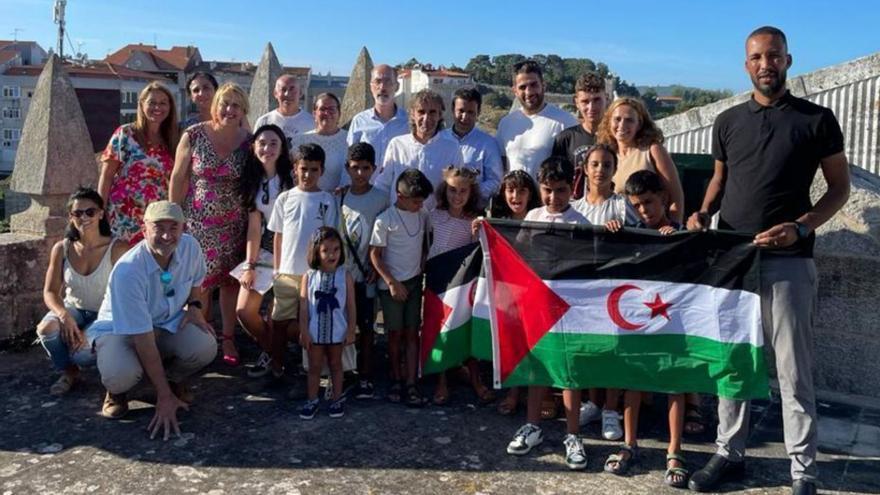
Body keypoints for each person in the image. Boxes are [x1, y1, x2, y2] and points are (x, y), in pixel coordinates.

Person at [686, 26, 850, 495]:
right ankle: (728, 452)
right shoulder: (728, 121)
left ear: (788, 60)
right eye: (756, 57)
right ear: (746, 65)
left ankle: (803, 471)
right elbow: (718, 181)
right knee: (734, 364)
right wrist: (702, 213)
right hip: (733, 262)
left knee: (794, 371)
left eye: (773, 56)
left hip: (789, 262)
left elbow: (839, 189)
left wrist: (801, 226)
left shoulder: (816, 119)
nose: (765, 64)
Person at [91, 201, 217, 440]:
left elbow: (196, 281)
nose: (167, 235)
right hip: (122, 330)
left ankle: (170, 379)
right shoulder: (129, 270)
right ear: (144, 228)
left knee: (205, 345)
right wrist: (164, 398)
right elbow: (143, 338)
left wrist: (195, 306)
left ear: (183, 228)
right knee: (120, 374)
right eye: (159, 228)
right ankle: (117, 392)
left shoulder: (190, 246)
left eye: (174, 227)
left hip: (166, 321)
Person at [603, 170, 688, 488]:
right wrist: (613, 233)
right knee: (632, 379)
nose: (643, 211)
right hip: (637, 318)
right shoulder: (630, 232)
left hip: (671, 319)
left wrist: (677, 240)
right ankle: (629, 443)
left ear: (664, 198)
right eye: (636, 205)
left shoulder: (682, 231)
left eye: (648, 203)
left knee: (675, 383)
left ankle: (675, 450)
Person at [508, 156, 589, 471]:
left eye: (560, 190)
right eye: (547, 190)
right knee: (537, 366)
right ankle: (533, 426)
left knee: (570, 371)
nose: (554, 197)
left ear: (572, 188)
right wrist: (485, 228)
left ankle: (573, 433)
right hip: (537, 305)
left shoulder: (580, 222)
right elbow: (517, 252)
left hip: (569, 309)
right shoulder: (533, 215)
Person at [170, 82, 250, 367]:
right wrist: (173, 217)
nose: (229, 110)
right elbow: (179, 178)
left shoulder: (249, 140)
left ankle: (228, 337)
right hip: (198, 222)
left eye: (236, 105)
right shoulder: (194, 134)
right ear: (216, 106)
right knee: (200, 282)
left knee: (230, 283)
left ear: (244, 110)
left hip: (234, 224)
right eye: (225, 104)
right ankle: (202, 336)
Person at [37, 187, 129, 395]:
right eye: (77, 213)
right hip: (75, 309)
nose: (84, 217)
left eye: (90, 212)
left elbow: (130, 292)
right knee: (47, 329)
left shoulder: (118, 248)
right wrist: (63, 315)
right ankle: (69, 372)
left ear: (101, 214)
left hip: (107, 314)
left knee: (82, 354)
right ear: (71, 217)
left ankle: (113, 380)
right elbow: (50, 291)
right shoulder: (62, 248)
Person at [570, 144, 631, 441]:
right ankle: (593, 403)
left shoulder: (621, 205)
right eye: (594, 164)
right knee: (588, 349)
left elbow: (638, 241)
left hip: (613, 289)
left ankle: (611, 409)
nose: (600, 170)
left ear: (614, 169)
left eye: (607, 164)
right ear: (585, 168)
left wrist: (621, 231)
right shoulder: (575, 207)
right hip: (583, 290)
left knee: (612, 350)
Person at [268, 143, 339, 379]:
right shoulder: (285, 198)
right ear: (294, 169)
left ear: (322, 171)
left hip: (315, 276)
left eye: (314, 170)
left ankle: (312, 370)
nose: (308, 175)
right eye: (304, 169)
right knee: (278, 322)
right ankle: (277, 366)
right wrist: (278, 269)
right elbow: (278, 235)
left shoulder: (327, 200)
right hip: (287, 274)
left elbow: (330, 238)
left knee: (314, 324)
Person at [427, 166, 493, 406]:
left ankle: (476, 380)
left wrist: (478, 233)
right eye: (453, 190)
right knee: (440, 333)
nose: (457, 196)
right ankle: (442, 381)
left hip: (463, 286)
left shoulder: (474, 220)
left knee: (466, 332)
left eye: (463, 191)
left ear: (471, 192)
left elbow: (478, 253)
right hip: (437, 282)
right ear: (445, 190)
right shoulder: (433, 215)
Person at [234, 124, 294, 378]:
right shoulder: (253, 181)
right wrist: (249, 265)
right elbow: (254, 228)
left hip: (290, 250)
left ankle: (276, 361)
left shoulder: (291, 179)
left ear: (282, 149)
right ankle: (272, 352)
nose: (267, 148)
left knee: (276, 315)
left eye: (273, 143)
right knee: (244, 311)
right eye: (262, 143)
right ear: (253, 146)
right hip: (264, 249)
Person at [370, 169, 433, 408]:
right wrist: (391, 283)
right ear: (400, 195)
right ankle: (395, 378)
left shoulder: (422, 214)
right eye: (416, 201)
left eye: (422, 201)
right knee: (394, 334)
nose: (419, 205)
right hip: (392, 286)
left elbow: (425, 243)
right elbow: (375, 255)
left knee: (412, 332)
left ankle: (411, 381)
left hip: (415, 282)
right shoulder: (385, 219)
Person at [98, 81, 179, 245]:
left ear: (170, 107)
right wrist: (99, 212)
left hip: (158, 217)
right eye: (152, 102)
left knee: (154, 264)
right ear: (142, 105)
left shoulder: (174, 139)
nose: (158, 107)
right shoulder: (125, 134)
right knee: (123, 264)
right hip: (124, 214)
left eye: (163, 103)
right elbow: (106, 176)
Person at [339, 143, 390, 400]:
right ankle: (346, 371)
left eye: (365, 168)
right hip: (342, 274)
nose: (360, 173)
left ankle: (367, 374)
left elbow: (384, 236)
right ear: (347, 168)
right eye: (355, 168)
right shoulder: (339, 196)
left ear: (374, 169)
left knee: (367, 325)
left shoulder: (381, 198)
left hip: (366, 273)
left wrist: (376, 266)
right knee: (344, 323)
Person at [298, 227, 357, 419]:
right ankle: (312, 399)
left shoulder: (345, 276)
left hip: (337, 331)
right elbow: (304, 306)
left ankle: (336, 398)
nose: (332, 254)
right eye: (326, 250)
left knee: (336, 365)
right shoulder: (309, 277)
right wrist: (304, 330)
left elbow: (350, 305)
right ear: (316, 251)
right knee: (314, 367)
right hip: (315, 331)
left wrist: (350, 329)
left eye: (336, 249)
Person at [596, 97, 686, 223]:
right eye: (617, 119)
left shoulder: (652, 150)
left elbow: (676, 196)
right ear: (609, 122)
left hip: (649, 232)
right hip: (618, 231)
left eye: (629, 120)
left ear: (639, 125)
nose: (622, 125)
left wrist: (674, 230)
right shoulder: (607, 155)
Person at [374, 89, 463, 207]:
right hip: (400, 219)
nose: (426, 118)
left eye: (432, 112)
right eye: (421, 112)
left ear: (440, 115)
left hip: (435, 221)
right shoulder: (397, 145)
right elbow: (383, 184)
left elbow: (458, 187)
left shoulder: (452, 148)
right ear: (412, 114)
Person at [496, 60, 578, 179]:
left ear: (543, 86)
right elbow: (501, 165)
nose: (529, 92)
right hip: (514, 197)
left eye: (533, 85)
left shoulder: (565, 122)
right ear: (514, 91)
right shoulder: (506, 123)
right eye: (522, 87)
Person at [441, 88, 503, 204]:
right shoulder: (439, 138)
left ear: (478, 113)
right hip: (441, 209)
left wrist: (469, 193)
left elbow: (495, 181)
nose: (464, 117)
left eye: (470, 112)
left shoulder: (488, 143)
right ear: (453, 110)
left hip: (473, 212)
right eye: (461, 111)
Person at [552, 72, 608, 199]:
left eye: (597, 100)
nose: (591, 107)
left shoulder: (617, 138)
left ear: (607, 98)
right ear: (576, 102)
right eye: (585, 101)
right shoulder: (565, 139)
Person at [346, 64, 410, 167]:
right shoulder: (359, 121)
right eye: (378, 81)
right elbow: (350, 160)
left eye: (388, 82)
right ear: (371, 87)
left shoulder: (408, 122)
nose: (382, 87)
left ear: (397, 87)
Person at [290, 92, 348, 192]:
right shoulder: (300, 141)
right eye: (322, 109)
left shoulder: (349, 139)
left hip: (340, 200)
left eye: (331, 109)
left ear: (339, 113)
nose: (327, 113)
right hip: (308, 200)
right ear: (314, 113)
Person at [254, 74, 314, 145]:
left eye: (292, 89)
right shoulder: (264, 121)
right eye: (283, 89)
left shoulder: (312, 122)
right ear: (275, 93)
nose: (287, 94)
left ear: (300, 93)